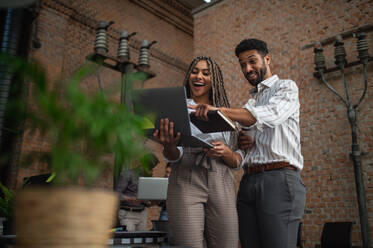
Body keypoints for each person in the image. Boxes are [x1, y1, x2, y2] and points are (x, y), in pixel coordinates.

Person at [190, 39, 306, 248]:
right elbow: (247, 142)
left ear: (267, 59)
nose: (248, 69)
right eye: (243, 64)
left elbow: (270, 115)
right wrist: (241, 141)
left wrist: (219, 110)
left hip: (279, 180)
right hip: (248, 181)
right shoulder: (250, 103)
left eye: (252, 61)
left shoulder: (286, 87)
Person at [153, 56, 243, 248]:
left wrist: (225, 152)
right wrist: (169, 144)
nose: (198, 76)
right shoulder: (175, 107)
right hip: (185, 177)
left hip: (220, 180)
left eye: (206, 73)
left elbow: (237, 159)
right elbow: (172, 155)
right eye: (194, 71)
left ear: (215, 80)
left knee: (227, 243)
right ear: (188, 76)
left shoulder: (226, 114)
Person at [115, 153, 159, 231]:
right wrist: (130, 198)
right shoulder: (127, 174)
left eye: (152, 168)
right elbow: (116, 194)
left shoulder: (149, 178)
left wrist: (152, 202)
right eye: (149, 167)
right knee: (129, 239)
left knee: (141, 240)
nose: (151, 170)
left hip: (142, 214)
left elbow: (146, 199)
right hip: (128, 214)